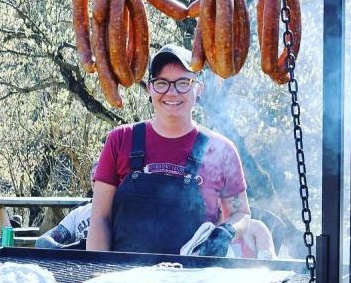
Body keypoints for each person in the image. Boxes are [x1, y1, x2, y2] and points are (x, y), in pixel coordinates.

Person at [87, 43, 250, 256]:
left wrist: (226, 232)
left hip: (195, 280)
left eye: (183, 83)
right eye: (162, 83)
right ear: (150, 89)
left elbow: (241, 214)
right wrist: (97, 270)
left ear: (198, 88)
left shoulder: (221, 149)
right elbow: (100, 218)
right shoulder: (120, 139)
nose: (172, 93)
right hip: (125, 279)